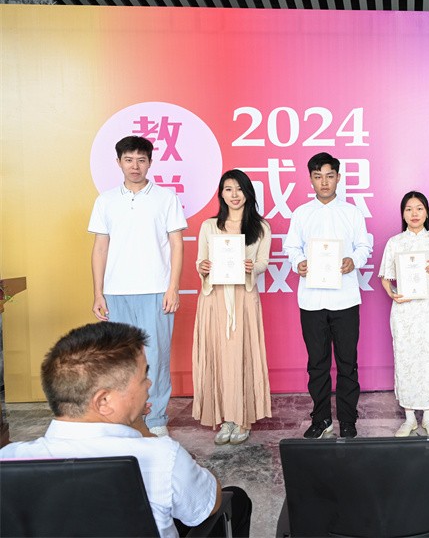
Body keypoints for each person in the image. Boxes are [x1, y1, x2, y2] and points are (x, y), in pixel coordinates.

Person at [0, 322, 252, 538]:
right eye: (143, 377)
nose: (149, 384)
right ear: (103, 401)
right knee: (236, 499)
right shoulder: (162, 457)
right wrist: (145, 433)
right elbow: (208, 504)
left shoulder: (9, 459)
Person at [88, 135, 187, 437]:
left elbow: (176, 244)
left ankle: (156, 419)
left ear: (150, 163)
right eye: (129, 160)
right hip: (116, 292)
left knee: (155, 357)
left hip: (155, 289)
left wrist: (173, 287)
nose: (135, 166)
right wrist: (98, 292)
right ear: (118, 162)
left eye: (141, 160)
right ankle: (122, 418)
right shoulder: (105, 201)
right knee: (119, 358)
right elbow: (100, 247)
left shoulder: (166, 198)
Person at [284, 152, 373, 439]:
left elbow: (364, 246)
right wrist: (299, 263)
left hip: (345, 299)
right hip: (311, 300)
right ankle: (321, 419)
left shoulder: (352, 212)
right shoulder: (301, 213)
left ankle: (348, 419)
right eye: (318, 176)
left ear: (338, 177)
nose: (324, 182)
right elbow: (291, 247)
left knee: (347, 363)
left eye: (329, 175)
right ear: (310, 179)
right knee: (317, 365)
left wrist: (353, 261)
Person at [192, 169, 272, 445]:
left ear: (248, 192)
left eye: (239, 189)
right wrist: (202, 267)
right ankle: (225, 418)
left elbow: (263, 262)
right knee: (218, 356)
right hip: (214, 299)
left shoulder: (261, 227)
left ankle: (242, 419)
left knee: (242, 355)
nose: (234, 195)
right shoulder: (209, 226)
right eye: (228, 189)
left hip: (243, 298)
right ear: (221, 194)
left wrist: (253, 267)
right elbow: (200, 260)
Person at [379, 191, 429, 437]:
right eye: (409, 209)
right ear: (403, 214)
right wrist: (391, 293)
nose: (414, 214)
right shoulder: (395, 243)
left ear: (427, 212)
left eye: (419, 208)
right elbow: (385, 277)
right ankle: (409, 418)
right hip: (404, 310)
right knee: (405, 358)